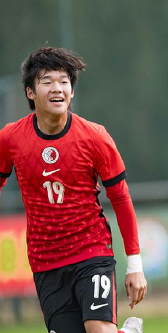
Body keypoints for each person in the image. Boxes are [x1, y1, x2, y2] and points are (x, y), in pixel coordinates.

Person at [0, 47, 146, 333]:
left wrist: (135, 265)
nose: (57, 88)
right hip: (45, 261)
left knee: (98, 328)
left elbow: (120, 198)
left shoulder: (95, 137)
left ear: (72, 91)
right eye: (47, 81)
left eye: (64, 81)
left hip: (92, 250)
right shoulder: (10, 138)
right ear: (30, 92)